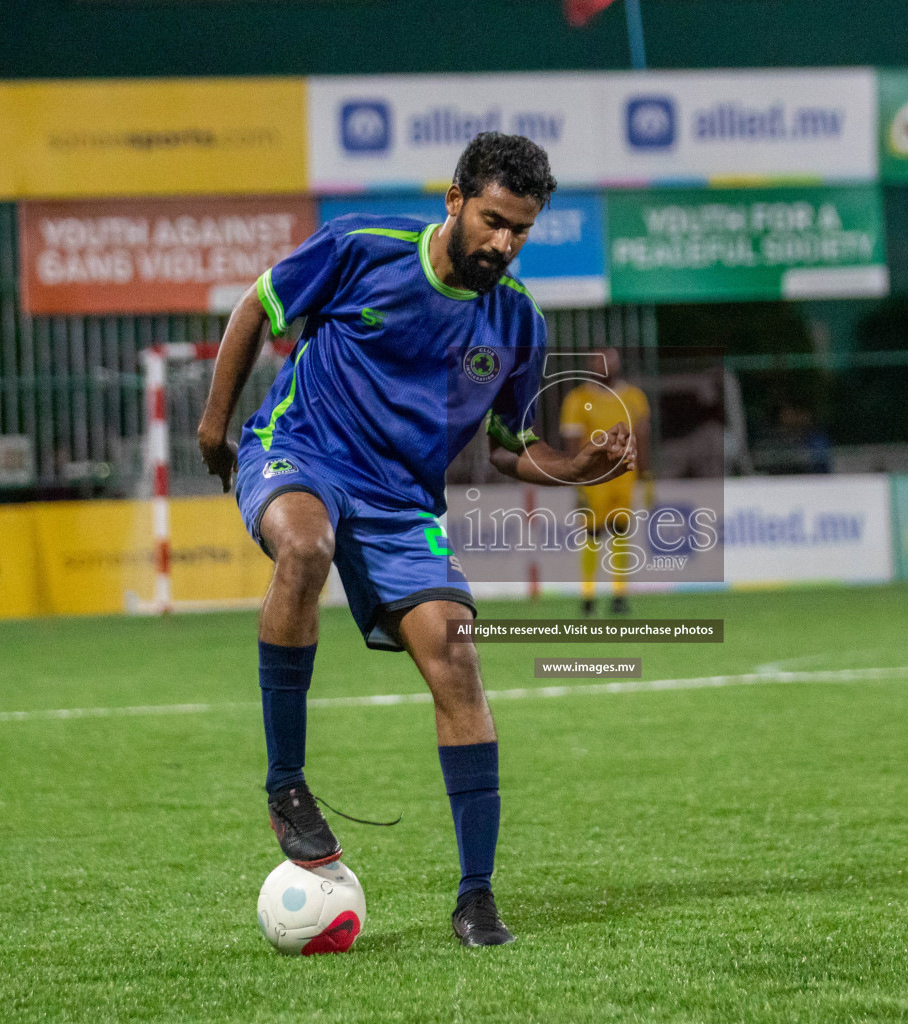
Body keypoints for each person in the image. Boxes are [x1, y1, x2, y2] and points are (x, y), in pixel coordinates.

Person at [196, 133, 635, 947]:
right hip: (301, 452)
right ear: (456, 200)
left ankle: (476, 896)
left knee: (458, 658)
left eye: (521, 231)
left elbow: (507, 445)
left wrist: (576, 463)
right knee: (305, 548)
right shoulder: (363, 248)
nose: (503, 243)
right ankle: (287, 785)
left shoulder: (517, 322)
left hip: (400, 506)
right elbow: (257, 306)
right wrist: (216, 428)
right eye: (494, 221)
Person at [558, 349, 650, 615]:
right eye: (597, 360)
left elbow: (642, 438)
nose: (603, 365)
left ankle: (619, 596)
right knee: (592, 535)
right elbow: (572, 442)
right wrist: (575, 480)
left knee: (621, 532)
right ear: (590, 365)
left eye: (608, 360)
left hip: (624, 477)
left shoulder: (634, 397)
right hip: (593, 479)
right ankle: (588, 596)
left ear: (618, 364)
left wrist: (647, 475)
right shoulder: (578, 399)